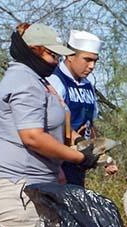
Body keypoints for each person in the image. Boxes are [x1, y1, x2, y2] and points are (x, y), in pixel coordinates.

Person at [0, 23, 98, 227]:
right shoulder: (24, 81)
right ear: (34, 50)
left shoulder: (39, 81)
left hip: (40, 185)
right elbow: (32, 137)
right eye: (51, 54)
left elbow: (56, 125)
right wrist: (78, 158)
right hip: (15, 186)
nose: (55, 61)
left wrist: (63, 166)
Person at [47, 30, 116, 185]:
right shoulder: (55, 81)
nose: (92, 66)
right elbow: (51, 126)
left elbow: (90, 125)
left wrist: (104, 156)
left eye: (95, 61)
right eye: (87, 60)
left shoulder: (88, 85)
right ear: (70, 56)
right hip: (58, 164)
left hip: (79, 163)